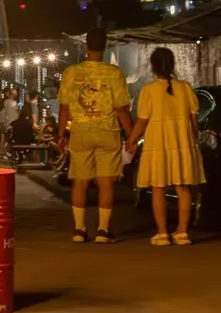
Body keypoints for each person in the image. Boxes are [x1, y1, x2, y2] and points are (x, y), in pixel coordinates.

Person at [56, 28, 133, 243]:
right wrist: (131, 134)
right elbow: (121, 108)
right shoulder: (114, 73)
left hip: (80, 132)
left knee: (80, 182)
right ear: (106, 46)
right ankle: (102, 230)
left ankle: (79, 230)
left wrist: (61, 134)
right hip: (108, 132)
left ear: (85, 46)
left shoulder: (71, 73)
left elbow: (64, 107)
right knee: (106, 182)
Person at [128, 46, 206, 246]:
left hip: (158, 143)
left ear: (153, 67)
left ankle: (162, 233)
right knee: (183, 187)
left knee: (158, 188)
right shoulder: (185, 87)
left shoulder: (149, 90)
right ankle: (182, 233)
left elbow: (142, 121)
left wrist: (132, 140)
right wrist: (193, 137)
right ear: (172, 65)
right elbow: (194, 119)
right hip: (181, 142)